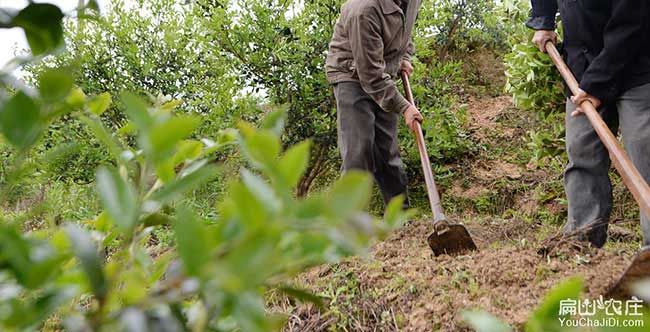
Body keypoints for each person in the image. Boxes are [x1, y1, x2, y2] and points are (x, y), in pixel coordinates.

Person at [527, 0, 650, 247]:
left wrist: (597, 84)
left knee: (645, 153)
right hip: (581, 68)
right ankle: (581, 243)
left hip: (638, 65)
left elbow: (632, 21)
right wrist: (544, 19)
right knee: (582, 153)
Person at [326, 0, 423, 209]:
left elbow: (405, 30)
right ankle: (349, 223)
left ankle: (400, 218)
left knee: (388, 152)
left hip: (382, 74)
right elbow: (369, 74)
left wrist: (403, 57)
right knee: (359, 152)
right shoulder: (364, 9)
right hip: (351, 75)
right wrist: (404, 107)